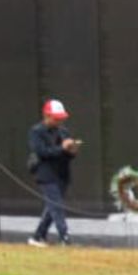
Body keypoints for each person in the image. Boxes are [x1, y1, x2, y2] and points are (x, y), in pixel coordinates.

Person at [26, 99, 79, 245]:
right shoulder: (36, 132)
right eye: (56, 118)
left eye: (61, 119)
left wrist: (72, 151)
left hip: (62, 174)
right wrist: (62, 148)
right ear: (46, 116)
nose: (59, 122)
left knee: (52, 206)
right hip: (45, 174)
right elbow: (42, 152)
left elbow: (67, 154)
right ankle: (64, 236)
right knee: (56, 205)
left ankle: (38, 236)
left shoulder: (63, 131)